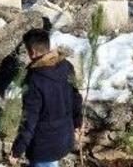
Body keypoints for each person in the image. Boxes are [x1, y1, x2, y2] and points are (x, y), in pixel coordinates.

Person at [10, 29, 83, 167]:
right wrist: (78, 121)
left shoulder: (34, 79)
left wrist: (17, 150)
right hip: (64, 137)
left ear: (32, 51)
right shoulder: (66, 66)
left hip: (44, 146)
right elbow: (76, 97)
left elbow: (29, 120)